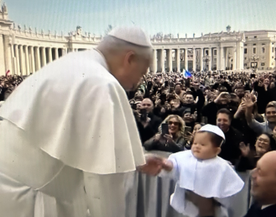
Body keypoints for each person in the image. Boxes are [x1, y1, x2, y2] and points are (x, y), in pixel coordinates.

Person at [0, 26, 155, 217]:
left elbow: (72, 145)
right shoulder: (103, 84)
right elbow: (102, 183)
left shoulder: (70, 63)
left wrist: (133, 160)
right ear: (129, 58)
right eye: (142, 72)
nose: (139, 82)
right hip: (31, 203)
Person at [141, 124, 244, 217]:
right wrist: (165, 165)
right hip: (188, 203)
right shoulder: (185, 157)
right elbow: (175, 167)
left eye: (203, 144)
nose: (197, 146)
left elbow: (227, 192)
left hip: (212, 210)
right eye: (195, 143)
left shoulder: (221, 166)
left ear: (216, 150)